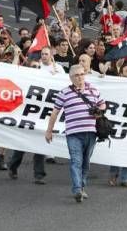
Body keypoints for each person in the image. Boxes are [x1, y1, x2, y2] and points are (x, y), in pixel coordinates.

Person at [45, 64, 106, 203]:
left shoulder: (94, 90)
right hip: (73, 133)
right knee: (76, 161)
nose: (80, 77)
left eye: (82, 74)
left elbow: (103, 104)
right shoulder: (64, 92)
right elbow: (55, 112)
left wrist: (99, 111)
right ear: (71, 78)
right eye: (76, 75)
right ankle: (77, 189)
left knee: (85, 163)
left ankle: (82, 187)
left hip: (91, 132)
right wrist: (49, 130)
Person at [108, 63, 127, 188]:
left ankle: (126, 178)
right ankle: (113, 175)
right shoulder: (116, 85)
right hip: (117, 123)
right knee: (116, 150)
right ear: (121, 73)